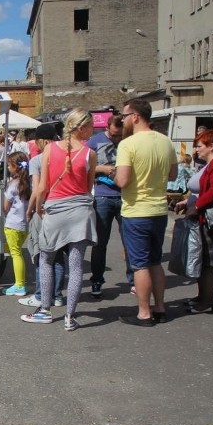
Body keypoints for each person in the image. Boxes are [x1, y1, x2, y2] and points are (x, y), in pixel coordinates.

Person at [21, 108, 97, 331]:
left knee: (46, 259)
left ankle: (44, 309)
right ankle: (69, 316)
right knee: (76, 266)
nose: (92, 130)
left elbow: (43, 186)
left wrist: (37, 209)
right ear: (81, 128)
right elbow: (88, 187)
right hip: (81, 212)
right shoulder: (89, 153)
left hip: (54, 210)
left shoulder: (49, 150)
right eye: (91, 126)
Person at [114, 99, 177, 327]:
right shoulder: (165, 141)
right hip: (159, 210)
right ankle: (160, 307)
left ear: (136, 116)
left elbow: (122, 180)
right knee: (155, 261)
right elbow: (172, 175)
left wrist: (112, 174)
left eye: (124, 115)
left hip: (136, 210)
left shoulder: (128, 144)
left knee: (139, 264)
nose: (122, 119)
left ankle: (144, 313)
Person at [175, 129, 213, 313]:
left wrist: (197, 205)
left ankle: (206, 302)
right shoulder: (212, 164)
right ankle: (202, 297)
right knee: (202, 261)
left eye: (199, 146)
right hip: (205, 218)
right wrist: (190, 202)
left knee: (208, 263)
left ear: (211, 146)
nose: (196, 149)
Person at [19, 123, 66, 309]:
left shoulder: (37, 160)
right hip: (64, 207)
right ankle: (57, 295)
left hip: (45, 207)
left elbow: (38, 189)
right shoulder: (65, 157)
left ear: (42, 141)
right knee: (59, 255)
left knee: (41, 255)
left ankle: (40, 295)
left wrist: (32, 209)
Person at [86, 114, 133, 297]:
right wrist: (103, 168)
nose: (116, 138)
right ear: (107, 127)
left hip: (125, 195)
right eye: (113, 135)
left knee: (129, 242)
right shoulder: (94, 141)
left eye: (119, 136)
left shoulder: (128, 141)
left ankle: (133, 281)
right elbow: (85, 166)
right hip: (103, 196)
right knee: (100, 243)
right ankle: (97, 280)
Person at [2, 151, 31, 296]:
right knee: (17, 251)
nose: (7, 167)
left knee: (16, 254)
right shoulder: (28, 183)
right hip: (24, 225)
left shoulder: (13, 185)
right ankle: (20, 283)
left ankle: (20, 284)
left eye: (8, 164)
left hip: (12, 224)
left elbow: (5, 207)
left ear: (14, 166)